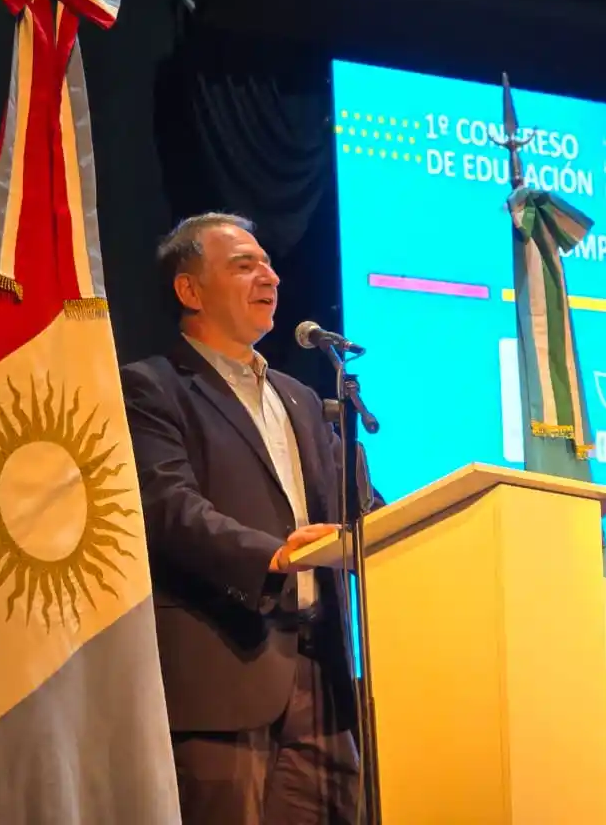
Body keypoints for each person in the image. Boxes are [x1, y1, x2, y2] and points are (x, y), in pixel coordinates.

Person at [121, 212, 368, 825]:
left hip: (325, 678)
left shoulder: (303, 398)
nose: (270, 276)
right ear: (189, 290)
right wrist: (275, 555)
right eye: (244, 265)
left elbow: (358, 508)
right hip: (224, 672)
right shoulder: (152, 388)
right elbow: (167, 507)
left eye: (268, 263)